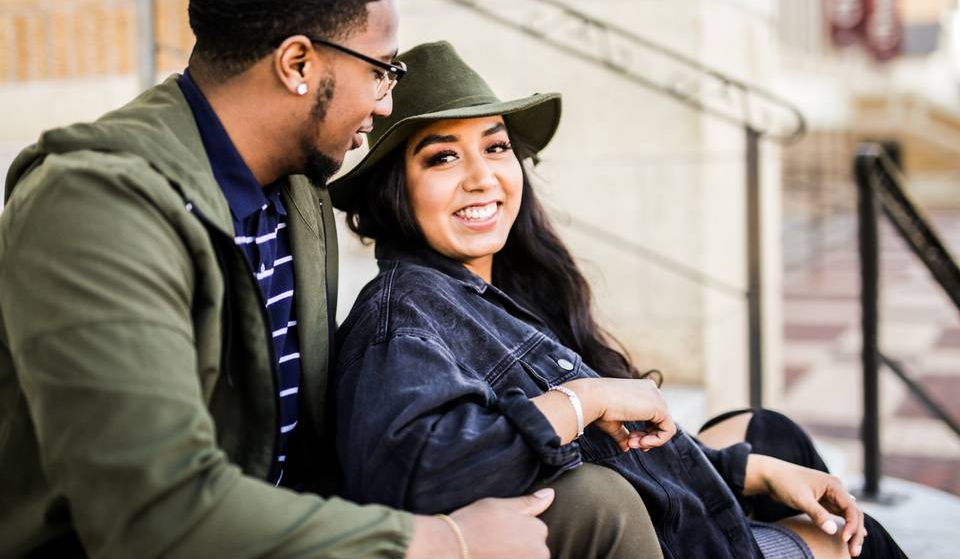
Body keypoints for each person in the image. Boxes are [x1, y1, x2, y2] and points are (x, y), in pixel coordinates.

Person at [0, 0, 663, 557]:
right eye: (382, 71)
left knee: (590, 504)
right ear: (297, 64)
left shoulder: (299, 196)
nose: (383, 105)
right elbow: (152, 514)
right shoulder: (95, 206)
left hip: (302, 530)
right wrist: (441, 543)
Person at [330, 40, 909, 558]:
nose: (483, 177)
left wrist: (750, 471)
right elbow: (416, 472)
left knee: (770, 433)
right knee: (861, 541)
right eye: (443, 156)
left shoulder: (496, 285)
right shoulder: (405, 315)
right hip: (636, 532)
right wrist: (584, 399)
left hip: (652, 506)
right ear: (395, 190)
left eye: (497, 146)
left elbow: (609, 451)